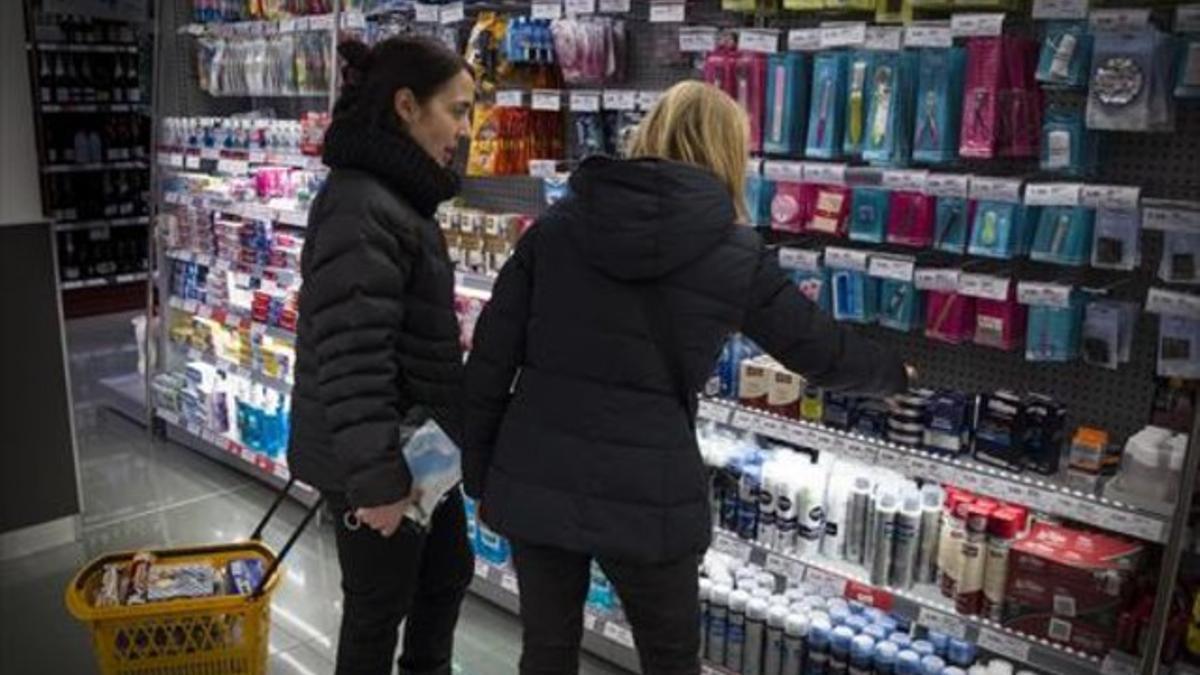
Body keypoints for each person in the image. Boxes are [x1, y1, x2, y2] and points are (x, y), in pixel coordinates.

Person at [462, 80, 909, 675]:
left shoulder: (557, 227)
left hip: (537, 470)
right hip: (652, 489)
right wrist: (895, 375)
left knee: (546, 650)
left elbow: (491, 358)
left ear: (649, 134)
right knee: (671, 658)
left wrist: (482, 477)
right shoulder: (734, 252)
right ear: (729, 154)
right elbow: (819, 351)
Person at [286, 36, 475, 675]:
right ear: (405, 105)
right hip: (380, 461)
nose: (465, 129)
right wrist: (377, 482)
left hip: (418, 451)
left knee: (447, 575)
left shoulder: (397, 196)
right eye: (456, 110)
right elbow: (350, 353)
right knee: (377, 612)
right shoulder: (363, 202)